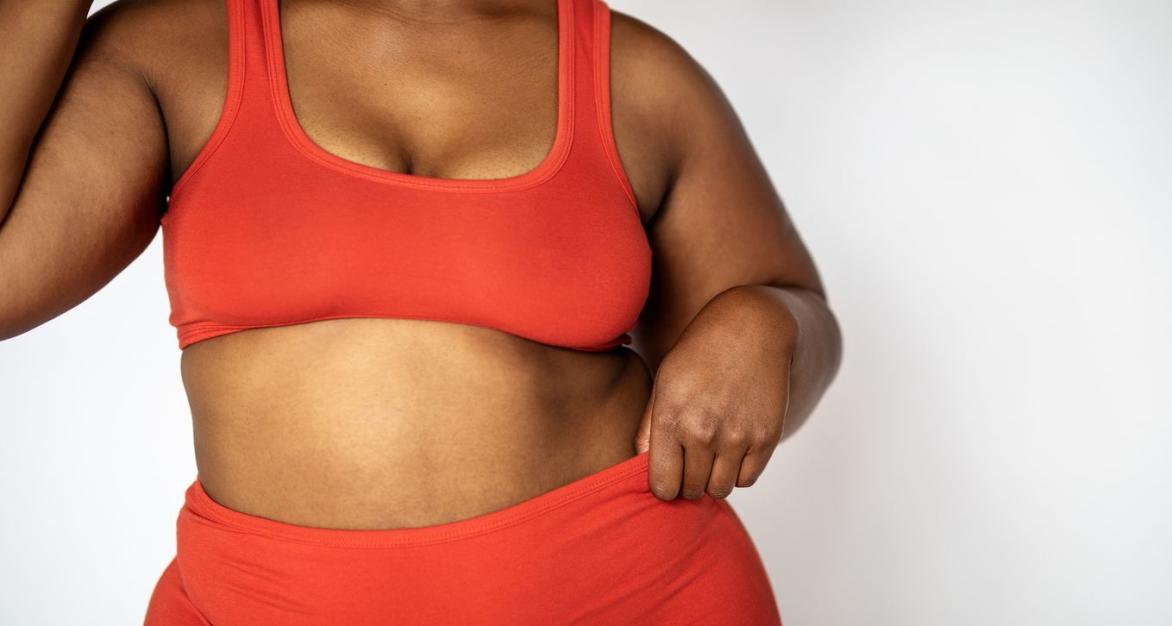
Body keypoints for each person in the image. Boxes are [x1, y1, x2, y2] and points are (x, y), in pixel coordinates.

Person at [0, 0, 842, 623]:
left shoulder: (641, 75)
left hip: (638, 593)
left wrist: (770, 323)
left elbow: (797, 314)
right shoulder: (176, 46)